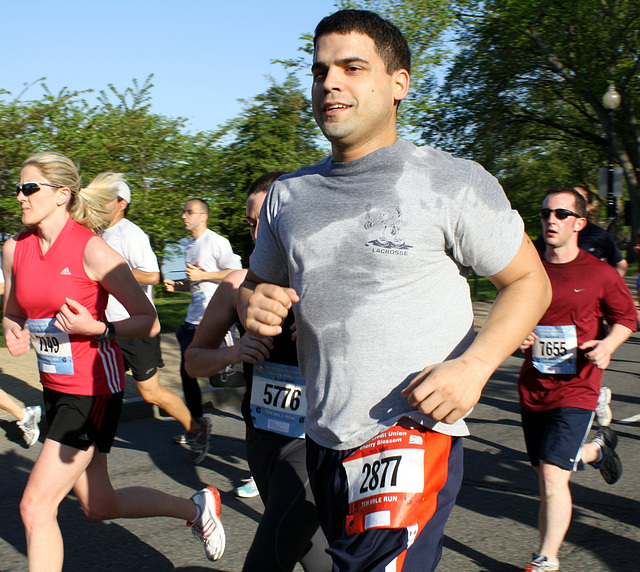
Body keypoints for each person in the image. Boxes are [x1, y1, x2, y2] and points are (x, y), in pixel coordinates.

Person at [238, 10, 552, 571]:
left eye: (352, 68)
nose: (329, 82)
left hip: (410, 435)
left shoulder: (452, 181)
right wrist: (251, 303)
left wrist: (474, 366)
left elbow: (530, 281)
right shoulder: (288, 196)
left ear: (398, 84)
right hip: (326, 435)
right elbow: (255, 288)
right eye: (319, 71)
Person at [2, 152, 224, 571]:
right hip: (55, 387)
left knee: (35, 507)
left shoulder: (92, 250)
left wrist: (98, 329)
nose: (20, 196)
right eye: (18, 188)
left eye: (29, 188)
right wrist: (14, 327)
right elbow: (14, 309)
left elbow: (149, 321)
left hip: (92, 389)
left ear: (61, 195)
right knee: (99, 505)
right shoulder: (15, 249)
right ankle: (197, 509)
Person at [185, 171, 331, 572]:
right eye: (251, 224)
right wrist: (235, 352)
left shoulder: (326, 282)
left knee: (265, 561)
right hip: (262, 440)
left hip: (314, 443)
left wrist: (326, 332)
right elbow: (194, 360)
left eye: (265, 221)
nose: (257, 233)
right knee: (317, 559)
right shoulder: (236, 286)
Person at [518, 186, 636, 571]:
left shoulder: (598, 272)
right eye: (545, 213)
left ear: (579, 223)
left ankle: (546, 559)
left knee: (553, 476)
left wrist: (607, 345)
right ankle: (597, 450)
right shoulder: (526, 268)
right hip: (533, 385)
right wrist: (520, 336)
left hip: (579, 386)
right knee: (546, 470)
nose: (551, 220)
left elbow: (627, 317)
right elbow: (513, 315)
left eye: (561, 214)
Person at [95, 173, 211, 464]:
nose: (98, 204)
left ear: (121, 203)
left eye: (104, 199)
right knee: (101, 387)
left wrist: (110, 276)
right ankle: (91, 448)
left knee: (151, 393)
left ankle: (197, 429)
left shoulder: (130, 233)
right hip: (109, 326)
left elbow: (152, 275)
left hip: (136, 326)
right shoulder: (99, 234)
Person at [163, 198, 242, 438]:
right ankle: (197, 426)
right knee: (187, 371)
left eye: (189, 212)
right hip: (192, 319)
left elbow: (235, 273)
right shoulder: (188, 246)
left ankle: (249, 376)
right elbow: (198, 281)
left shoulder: (217, 242)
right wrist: (179, 286)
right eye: (183, 212)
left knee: (217, 378)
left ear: (203, 216)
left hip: (214, 318)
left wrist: (204, 274)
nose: (184, 216)